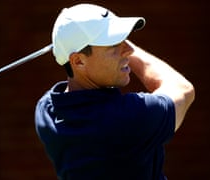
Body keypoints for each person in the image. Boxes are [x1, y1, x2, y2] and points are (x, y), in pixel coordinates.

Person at [35, 3, 195, 180]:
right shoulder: (126, 117)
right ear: (78, 61)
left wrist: (67, 44)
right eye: (113, 45)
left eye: (124, 40)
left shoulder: (46, 112)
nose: (129, 50)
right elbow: (183, 89)